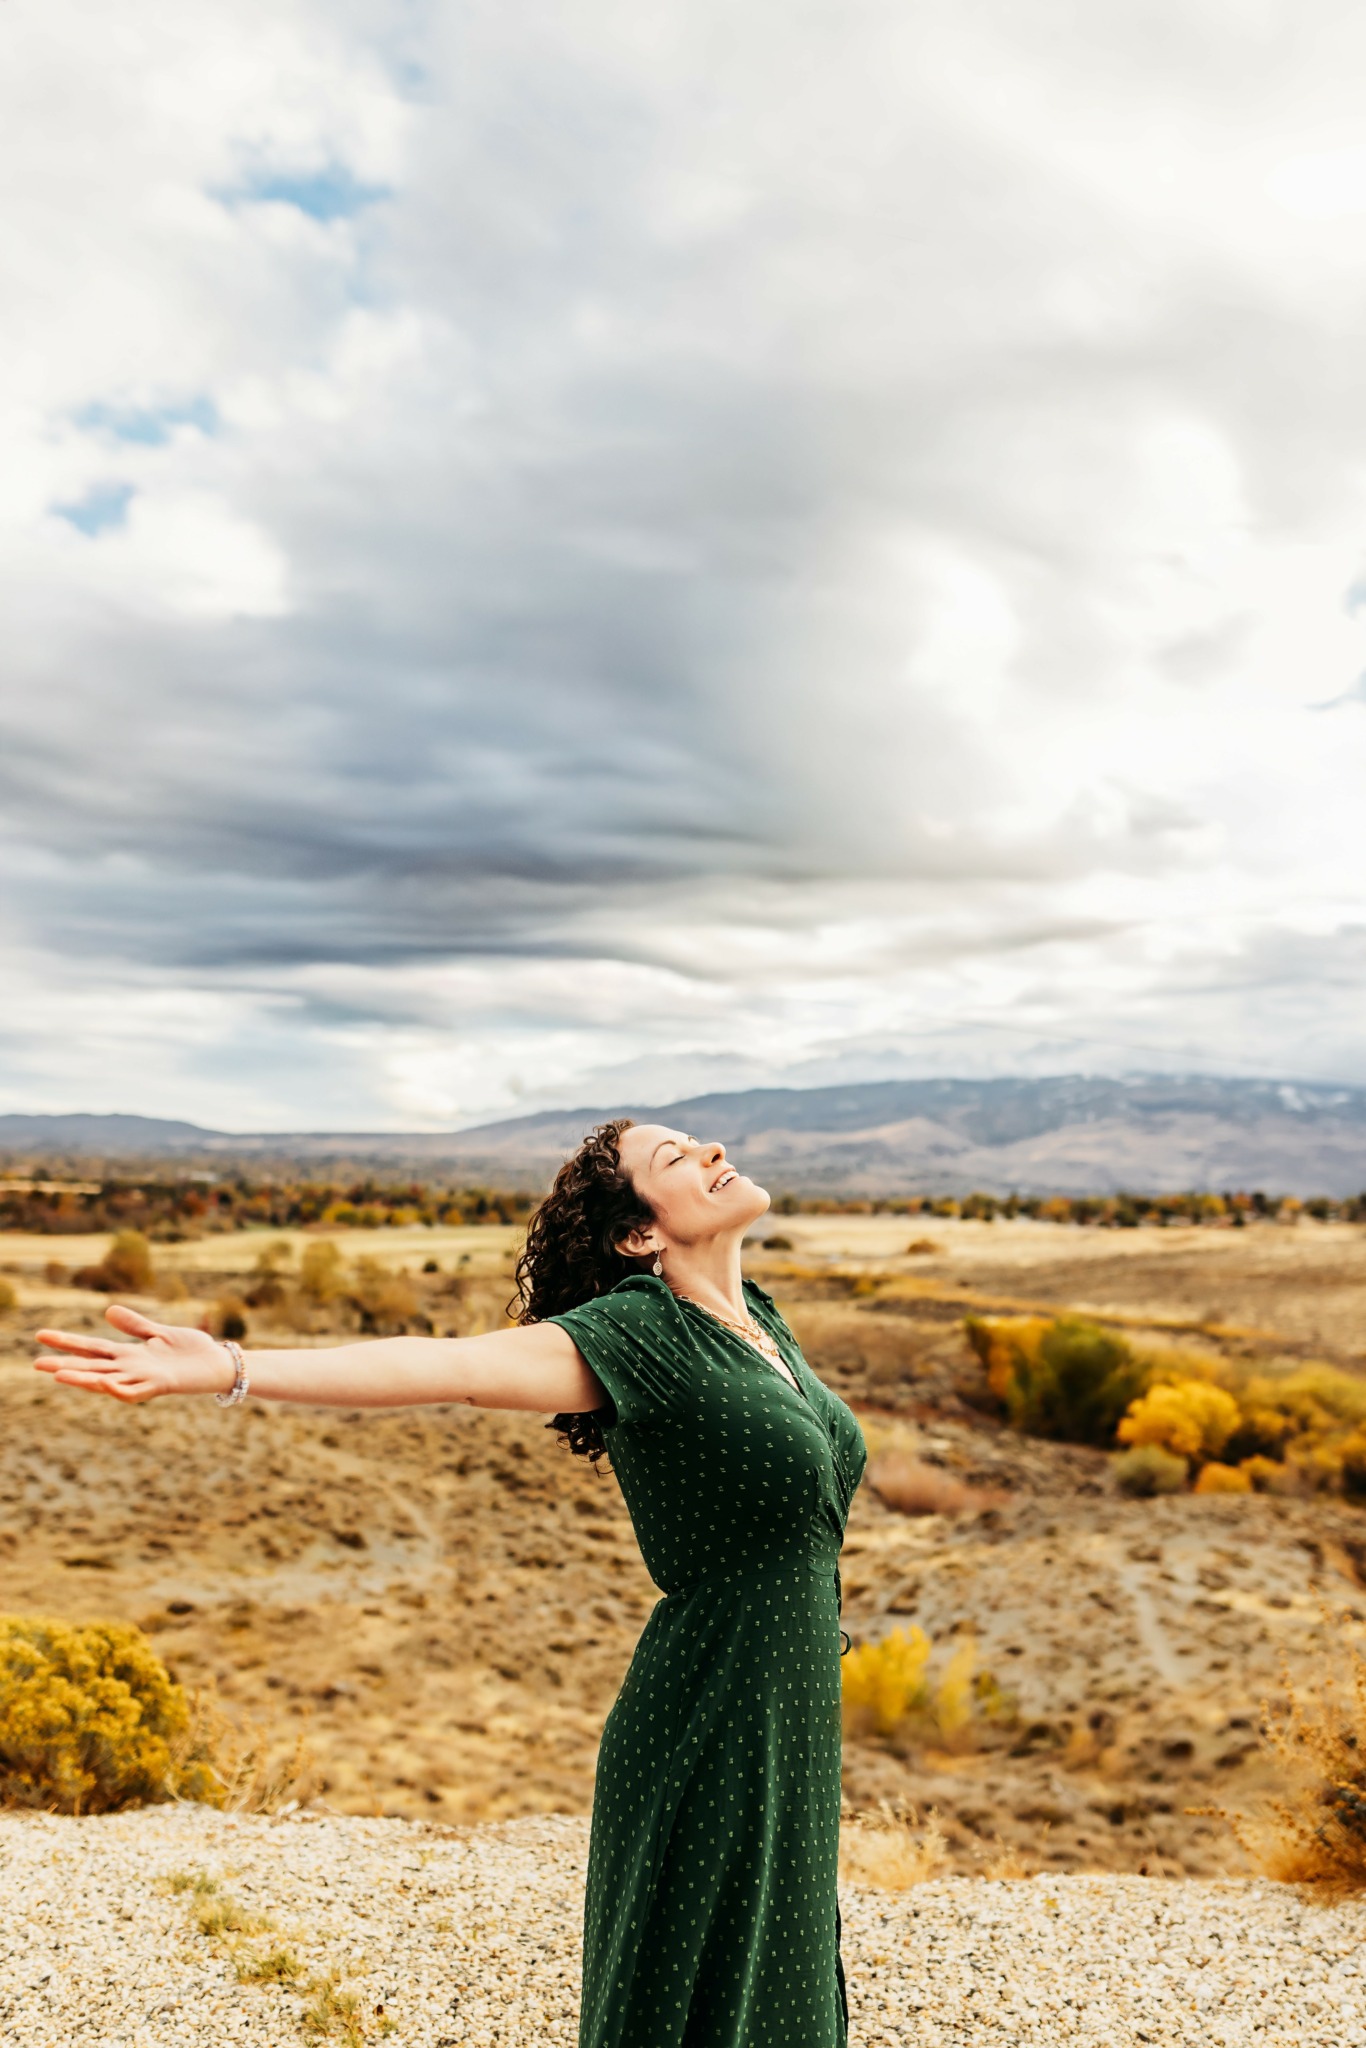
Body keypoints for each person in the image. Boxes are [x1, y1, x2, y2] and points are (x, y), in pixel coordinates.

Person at [34, 1119, 868, 2048]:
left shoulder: (759, 1322)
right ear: (639, 1234)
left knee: (785, 1986)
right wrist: (232, 1367)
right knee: (698, 1999)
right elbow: (452, 1367)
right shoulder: (640, 1332)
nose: (711, 1152)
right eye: (674, 1158)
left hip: (790, 1707)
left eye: (700, 1143)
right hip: (709, 1711)